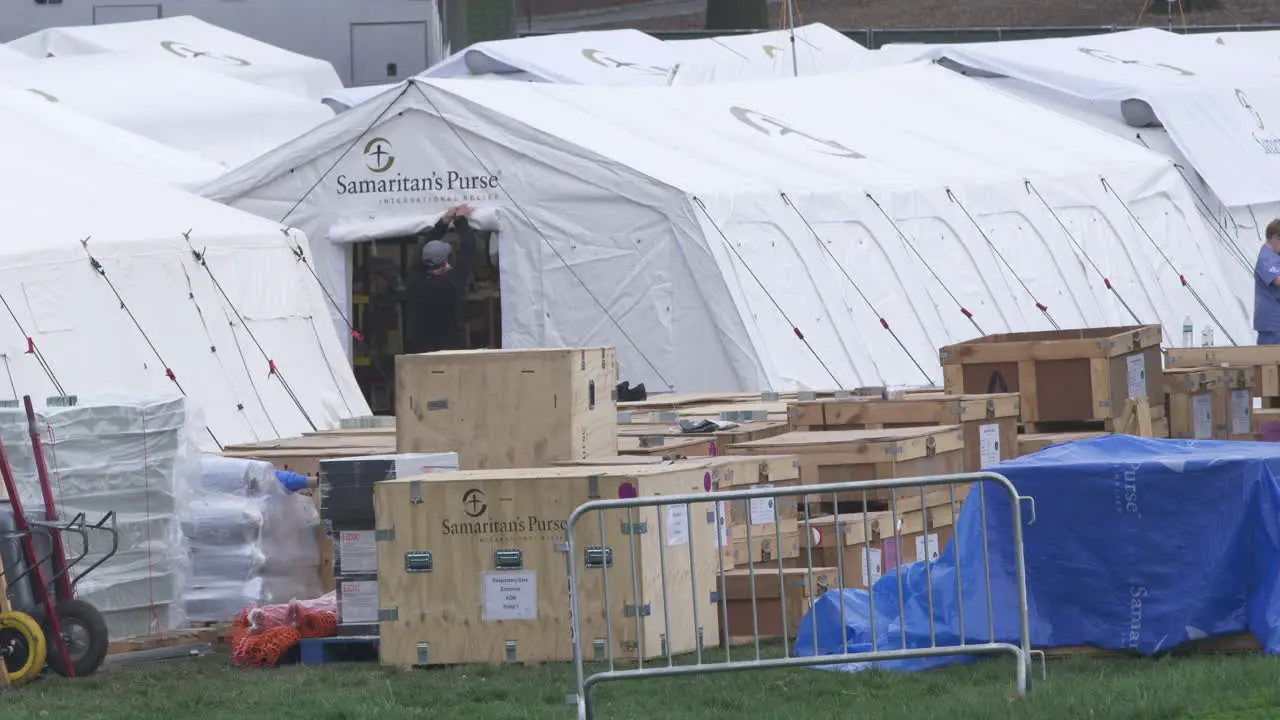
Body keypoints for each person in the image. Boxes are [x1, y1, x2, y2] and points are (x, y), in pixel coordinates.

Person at [404, 204, 478, 354]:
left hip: (420, 352)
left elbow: (421, 251)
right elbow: (469, 248)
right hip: (451, 352)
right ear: (446, 262)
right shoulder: (452, 284)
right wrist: (460, 220)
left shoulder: (414, 281)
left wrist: (443, 222)